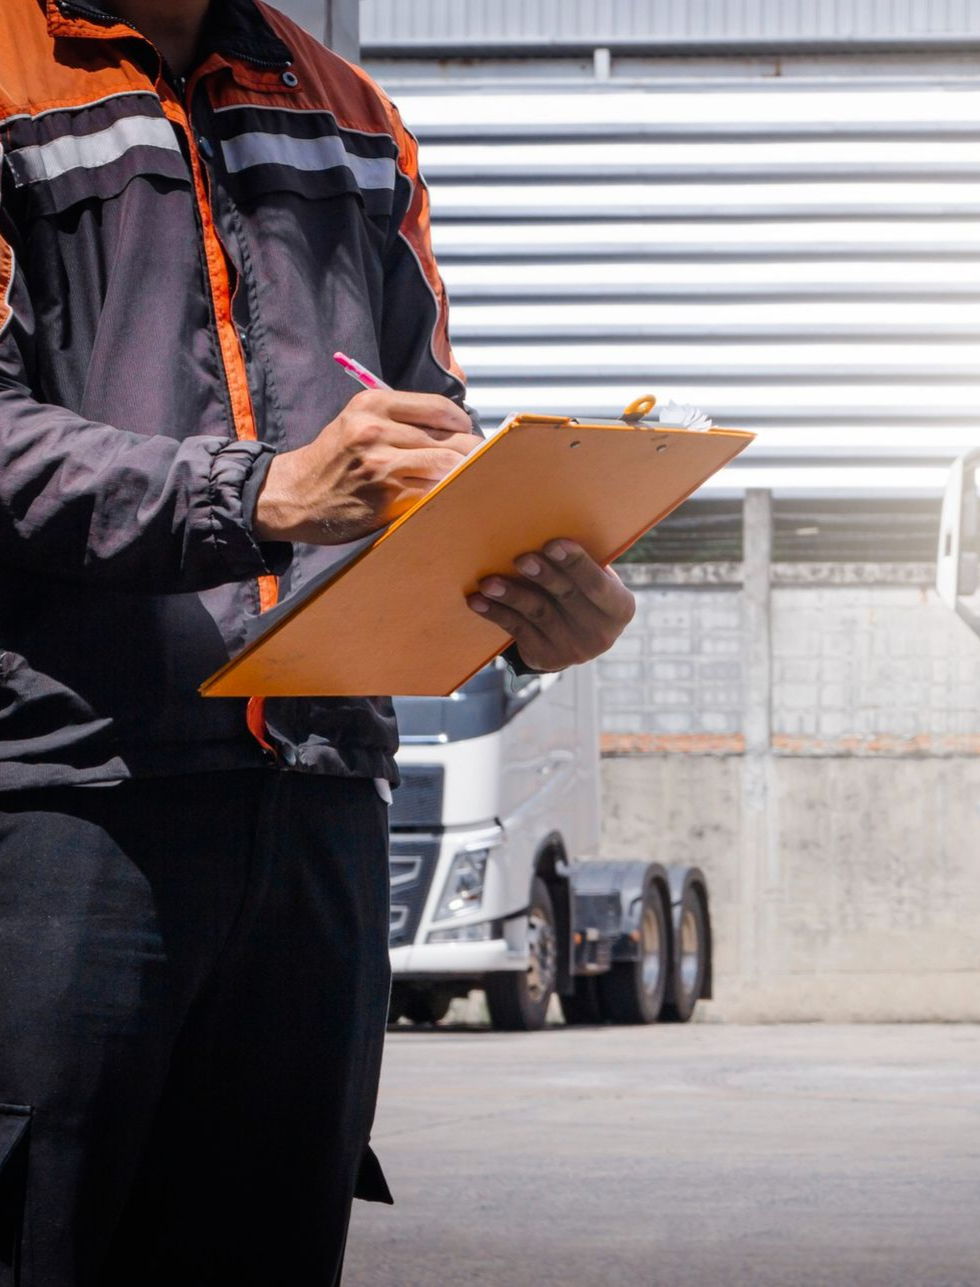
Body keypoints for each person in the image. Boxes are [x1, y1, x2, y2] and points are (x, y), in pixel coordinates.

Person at [0, 0, 635, 1281]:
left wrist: (526, 595)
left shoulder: (352, 115)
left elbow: (424, 440)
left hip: (318, 803)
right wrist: (260, 494)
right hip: (63, 805)